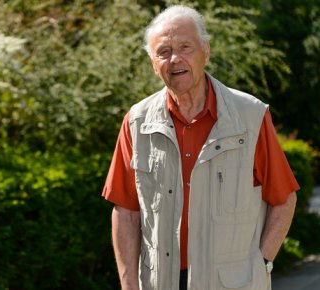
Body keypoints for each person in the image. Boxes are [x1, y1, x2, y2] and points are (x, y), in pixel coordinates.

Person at [102, 4, 299, 290]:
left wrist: (262, 263)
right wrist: (129, 283)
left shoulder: (250, 116)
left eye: (186, 47)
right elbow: (126, 211)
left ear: (205, 52)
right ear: (153, 63)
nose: (175, 59)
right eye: (163, 52)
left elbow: (284, 199)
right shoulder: (137, 122)